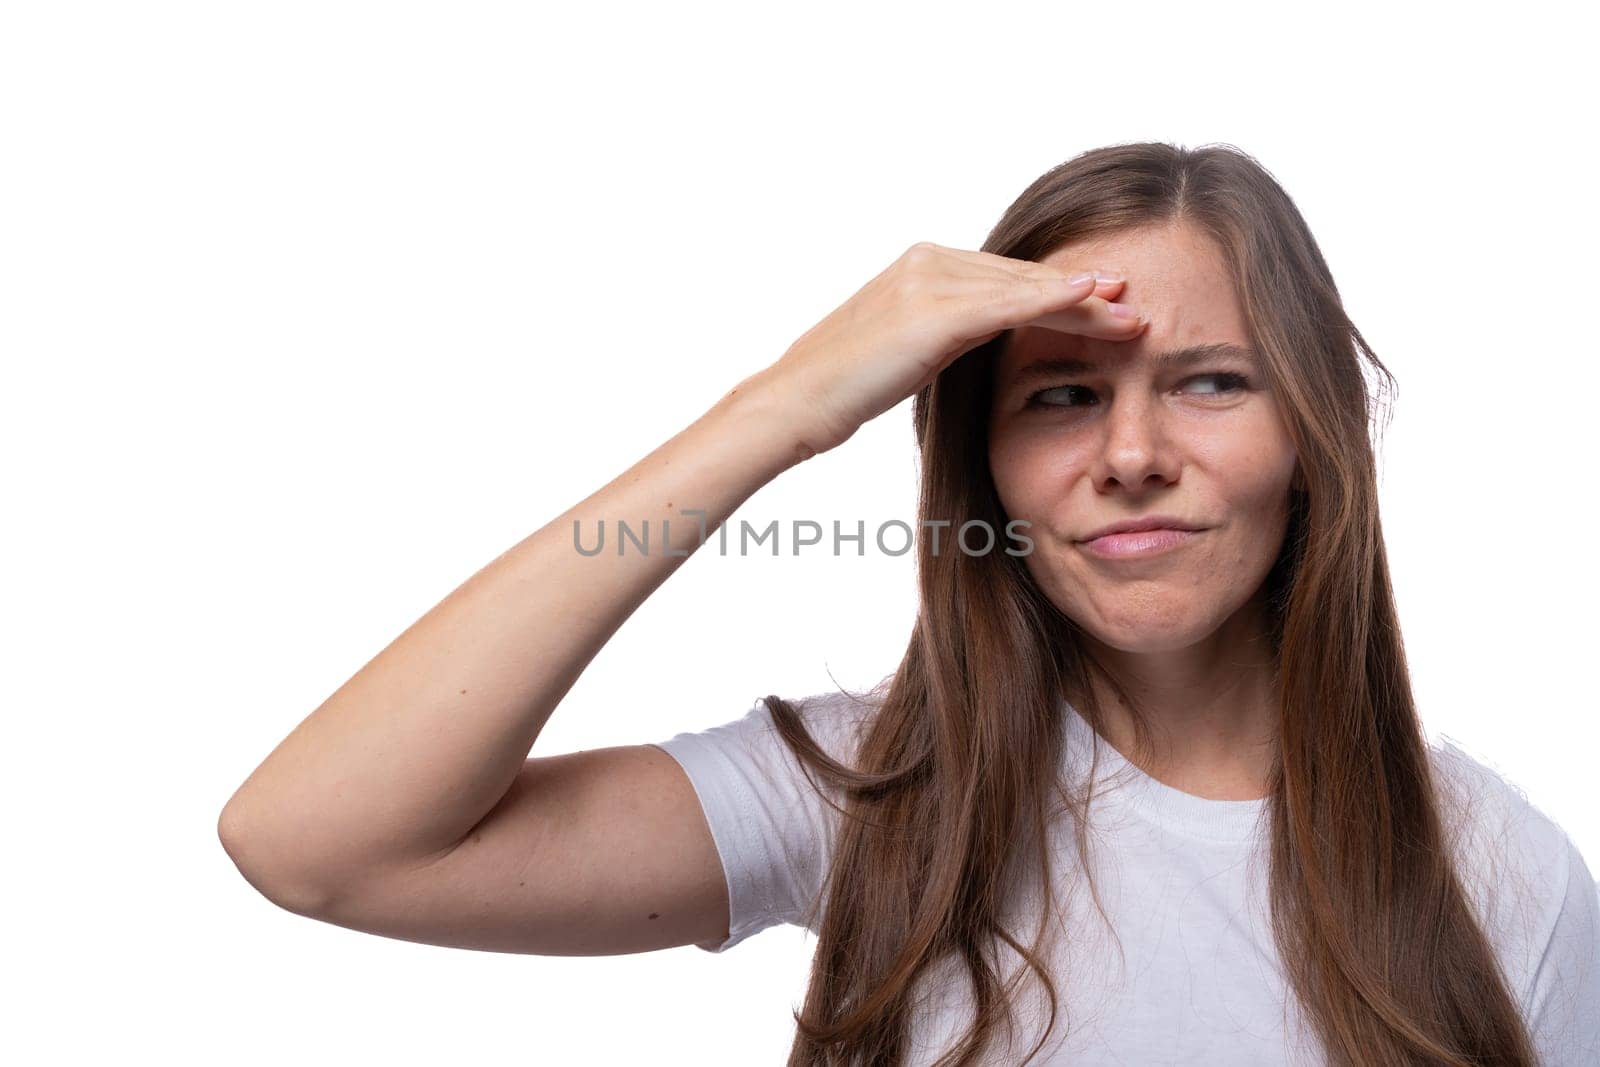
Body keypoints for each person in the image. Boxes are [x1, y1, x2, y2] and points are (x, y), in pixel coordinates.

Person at [217, 142, 1600, 1065]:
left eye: (1209, 381)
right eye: (1062, 395)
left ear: (1312, 440)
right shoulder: (872, 797)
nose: (1130, 455)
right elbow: (317, 843)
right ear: (985, 471)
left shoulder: (1506, 881)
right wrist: (785, 407)